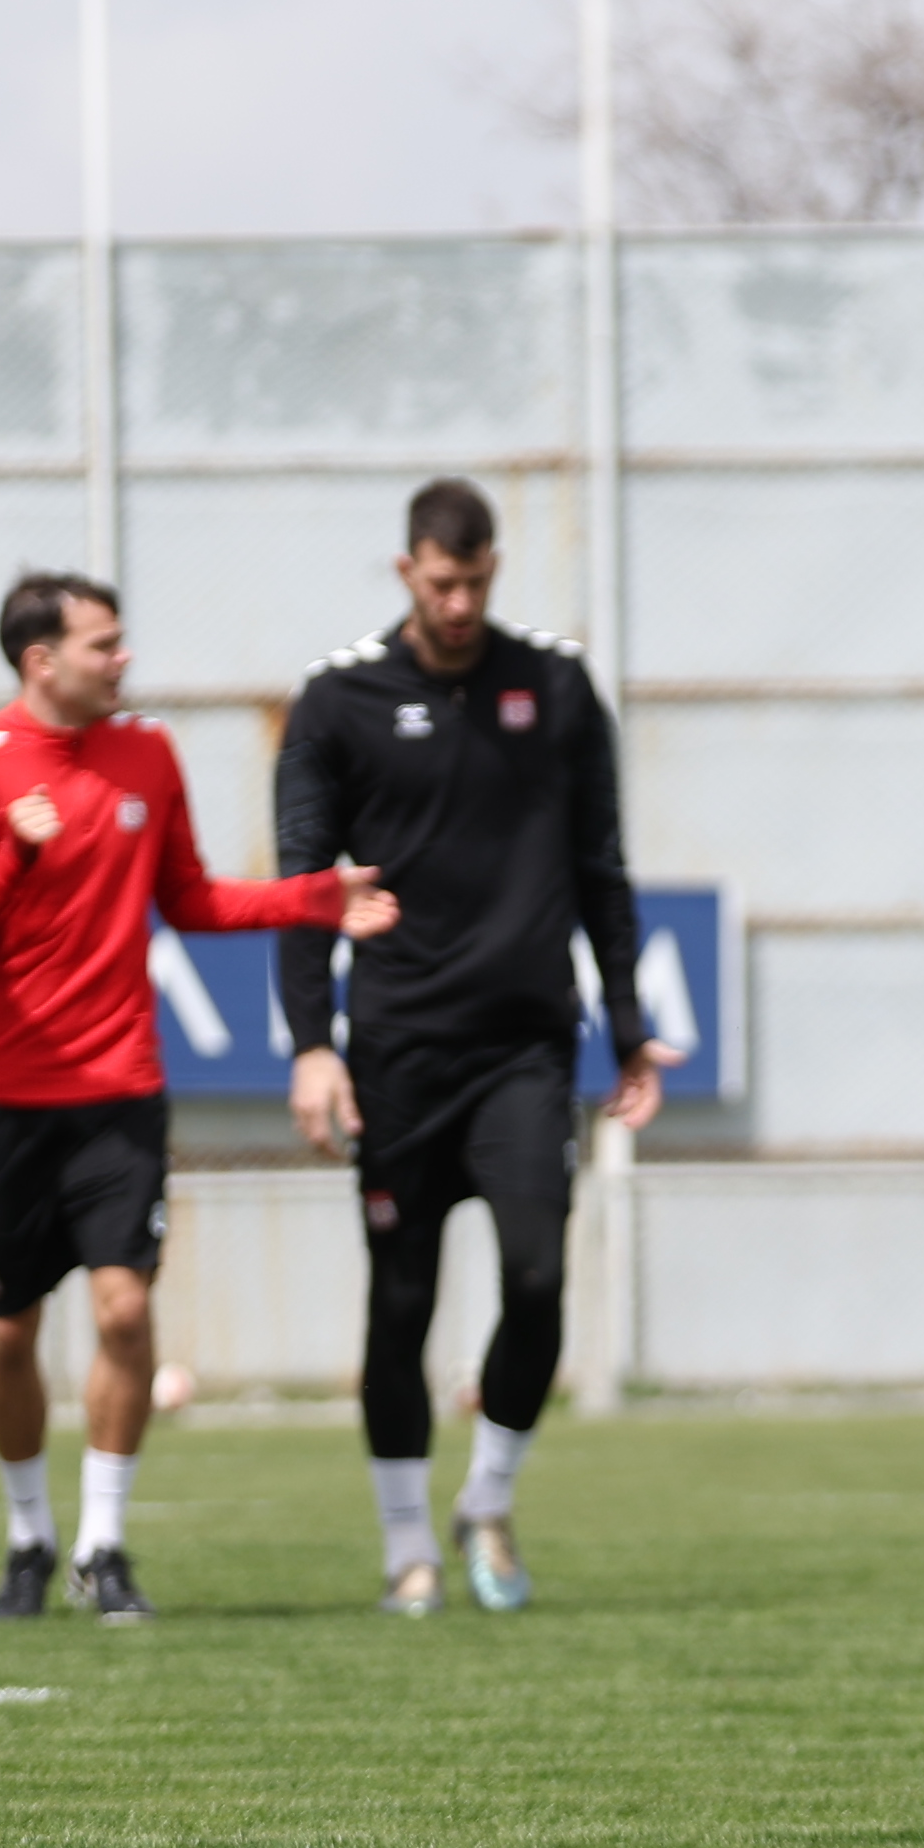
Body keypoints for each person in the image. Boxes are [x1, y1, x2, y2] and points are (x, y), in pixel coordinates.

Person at [0, 571, 398, 1623]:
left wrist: (317, 896)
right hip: (1, 1094)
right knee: (8, 1330)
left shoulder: (148, 753)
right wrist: (12, 851)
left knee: (126, 1311)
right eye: (103, 645)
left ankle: (103, 1543)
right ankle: (27, 1534)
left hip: (119, 1089)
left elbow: (191, 899)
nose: (121, 660)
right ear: (41, 661)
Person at [276, 479, 680, 1616]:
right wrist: (315, 1046)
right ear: (406, 571)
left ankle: (487, 1501)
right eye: (440, 581)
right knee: (400, 1304)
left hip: (524, 1051)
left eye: (477, 579)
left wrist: (630, 1034)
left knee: (540, 1277)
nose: (459, 601)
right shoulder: (338, 701)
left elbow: (602, 869)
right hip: (398, 1053)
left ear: (494, 568)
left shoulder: (552, 687)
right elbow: (306, 892)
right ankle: (409, 1544)